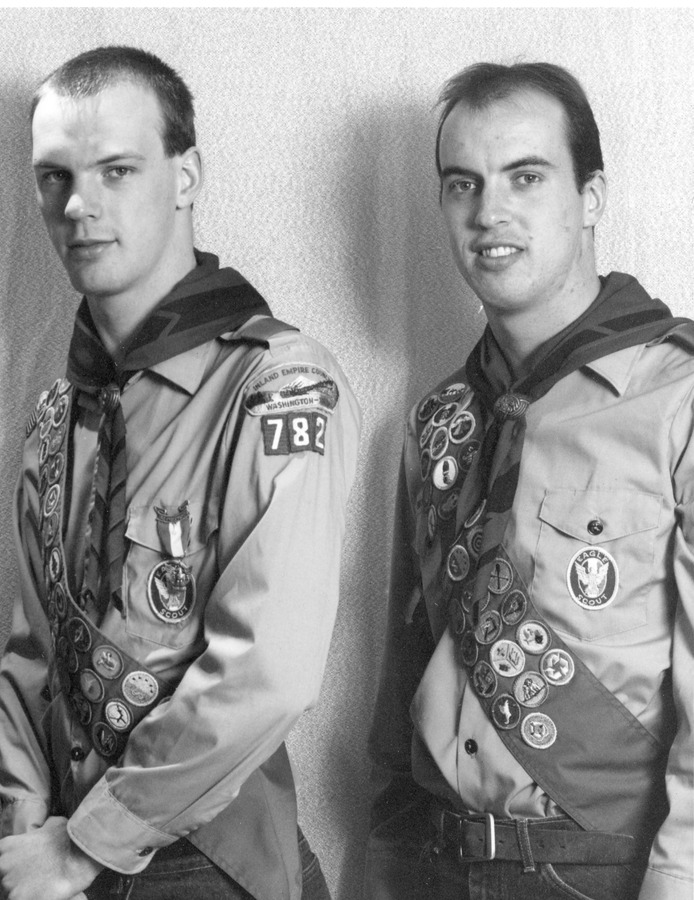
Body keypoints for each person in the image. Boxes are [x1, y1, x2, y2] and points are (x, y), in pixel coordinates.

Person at [0, 46, 359, 900]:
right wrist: (25, 821)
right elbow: (32, 649)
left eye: (116, 170)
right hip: (58, 853)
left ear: (186, 176)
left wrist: (86, 845)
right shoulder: (61, 412)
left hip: (207, 861)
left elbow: (268, 671)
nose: (78, 206)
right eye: (55, 178)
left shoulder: (273, 384)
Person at [367, 62, 693, 900]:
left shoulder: (678, 398)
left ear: (591, 197)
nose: (489, 213)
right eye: (463, 185)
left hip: (604, 869)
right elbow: (407, 669)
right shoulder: (438, 420)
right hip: (438, 859)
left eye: (526, 176)